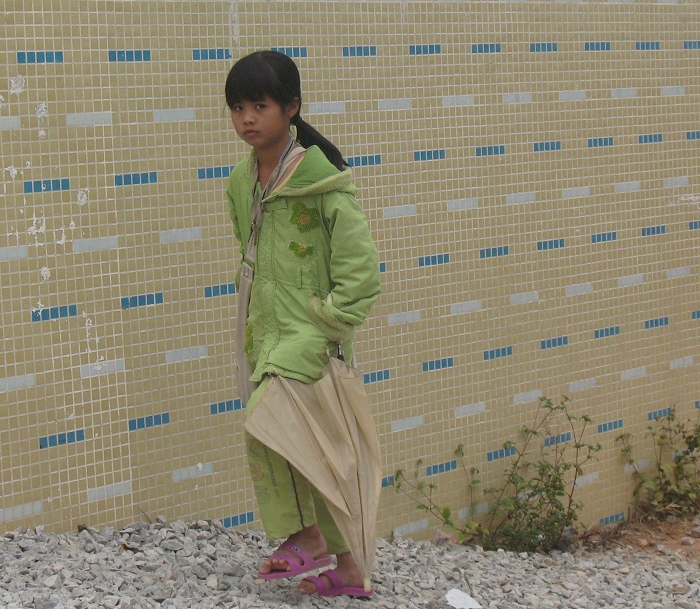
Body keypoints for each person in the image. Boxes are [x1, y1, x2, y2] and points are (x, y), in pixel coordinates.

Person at [224, 50, 381, 597]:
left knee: (270, 427)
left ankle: (306, 536)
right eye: (237, 107)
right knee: (316, 453)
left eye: (260, 106)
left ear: (291, 107)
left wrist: (328, 325)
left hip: (309, 337)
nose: (247, 118)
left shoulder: (325, 184)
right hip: (263, 331)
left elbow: (361, 273)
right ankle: (351, 571)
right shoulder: (240, 181)